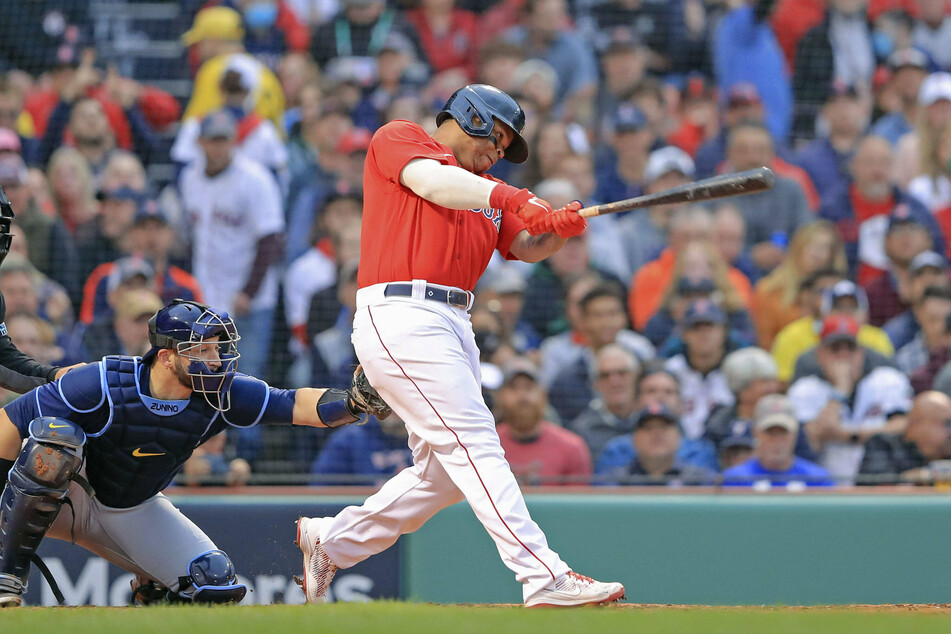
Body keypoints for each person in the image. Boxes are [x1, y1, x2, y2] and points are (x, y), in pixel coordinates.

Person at [295, 84, 625, 608]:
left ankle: (331, 541)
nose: (497, 153)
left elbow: (527, 244)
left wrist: (560, 228)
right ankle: (543, 575)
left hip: (454, 320)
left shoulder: (486, 190)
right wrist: (516, 196)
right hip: (400, 310)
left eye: (506, 146)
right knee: (476, 441)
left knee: (445, 476)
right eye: (495, 138)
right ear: (466, 116)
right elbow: (433, 182)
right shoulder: (401, 139)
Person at [0, 299, 388, 607]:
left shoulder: (220, 392)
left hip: (131, 507)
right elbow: (7, 424)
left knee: (213, 584)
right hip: (60, 497)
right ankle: (8, 575)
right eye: (201, 350)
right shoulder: (100, 382)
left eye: (217, 348)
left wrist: (354, 403)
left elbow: (293, 404)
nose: (216, 360)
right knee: (54, 439)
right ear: (167, 357)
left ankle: (151, 591)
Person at [179, 110, 285, 380]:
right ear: (200, 142)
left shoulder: (255, 178)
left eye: (224, 139)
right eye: (213, 139)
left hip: (249, 300)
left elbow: (271, 239)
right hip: (205, 296)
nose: (219, 146)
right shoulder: (190, 178)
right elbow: (192, 236)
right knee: (204, 378)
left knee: (246, 379)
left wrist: (249, 291)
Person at [788, 314, 913, 483]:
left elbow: (903, 427)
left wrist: (848, 435)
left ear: (861, 352)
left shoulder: (887, 379)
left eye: (850, 348)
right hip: (826, 489)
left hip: (880, 484)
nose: (844, 355)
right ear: (820, 354)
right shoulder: (804, 389)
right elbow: (812, 441)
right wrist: (840, 390)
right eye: (835, 349)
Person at [495, 360, 592, 486]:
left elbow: (578, 503)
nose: (522, 395)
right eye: (513, 388)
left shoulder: (572, 448)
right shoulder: (484, 445)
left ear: (543, 395)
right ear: (500, 397)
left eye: (529, 387)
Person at [753, 221, 847, 349]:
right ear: (798, 248)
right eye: (812, 245)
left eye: (825, 247)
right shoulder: (769, 290)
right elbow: (765, 343)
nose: (818, 253)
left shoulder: (843, 293)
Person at [722, 394, 835, 488]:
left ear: (795, 434)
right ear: (755, 432)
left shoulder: (817, 480)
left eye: (783, 433)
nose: (777, 441)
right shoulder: (735, 480)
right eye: (770, 432)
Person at [594, 403, 717, 486]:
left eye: (664, 427)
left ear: (679, 436)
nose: (656, 434)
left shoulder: (701, 480)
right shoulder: (615, 481)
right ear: (634, 438)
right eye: (648, 428)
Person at [859, 390, 951, 484]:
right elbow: (873, 487)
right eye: (948, 423)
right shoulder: (883, 445)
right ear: (919, 423)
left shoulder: (947, 452)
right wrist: (922, 477)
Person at [570, 344, 641, 460]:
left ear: (636, 377)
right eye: (605, 376)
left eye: (622, 373)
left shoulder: (655, 422)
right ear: (595, 384)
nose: (614, 382)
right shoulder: (582, 430)